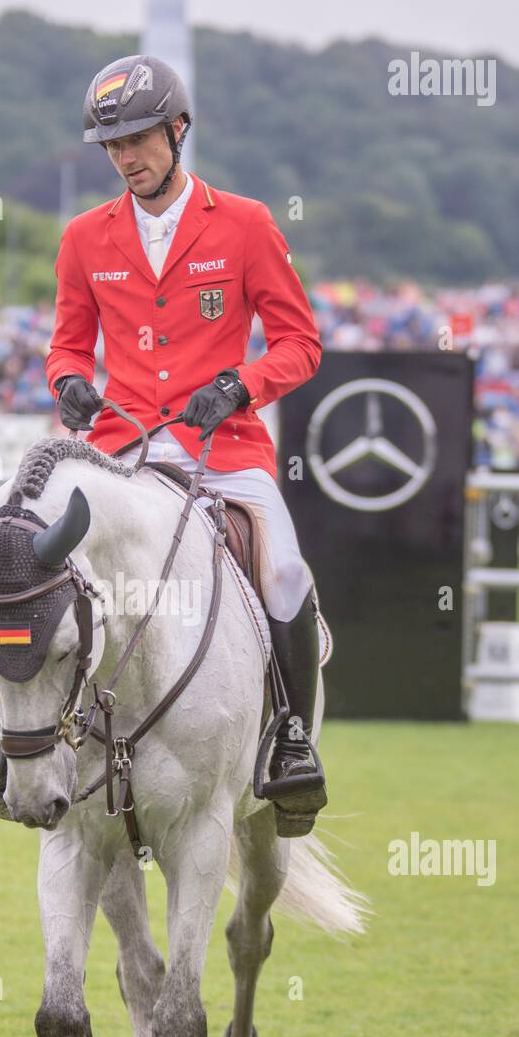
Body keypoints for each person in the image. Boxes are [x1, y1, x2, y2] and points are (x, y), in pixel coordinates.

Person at [46, 53, 327, 833]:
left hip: (225, 450)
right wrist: (67, 382)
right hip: (122, 452)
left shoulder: (245, 223)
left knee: (287, 567)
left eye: (137, 139)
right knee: (30, 549)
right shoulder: (82, 238)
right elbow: (67, 347)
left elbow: (301, 343)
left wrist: (241, 385)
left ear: (177, 129)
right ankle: (25, 748)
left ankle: (292, 742)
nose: (126, 158)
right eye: (112, 146)